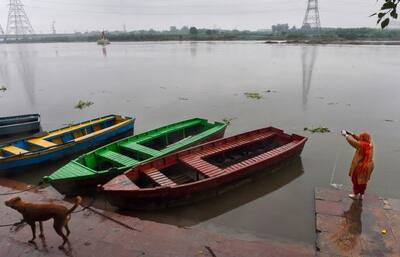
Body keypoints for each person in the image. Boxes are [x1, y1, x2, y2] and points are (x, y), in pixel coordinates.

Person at [341, 130, 374, 200]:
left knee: (355, 180)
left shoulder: (361, 145)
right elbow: (359, 140)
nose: (360, 138)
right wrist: (352, 134)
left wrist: (346, 135)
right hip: (368, 166)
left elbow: (353, 143)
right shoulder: (370, 144)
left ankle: (355, 195)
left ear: (363, 139)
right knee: (363, 181)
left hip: (361, 166)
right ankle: (362, 195)